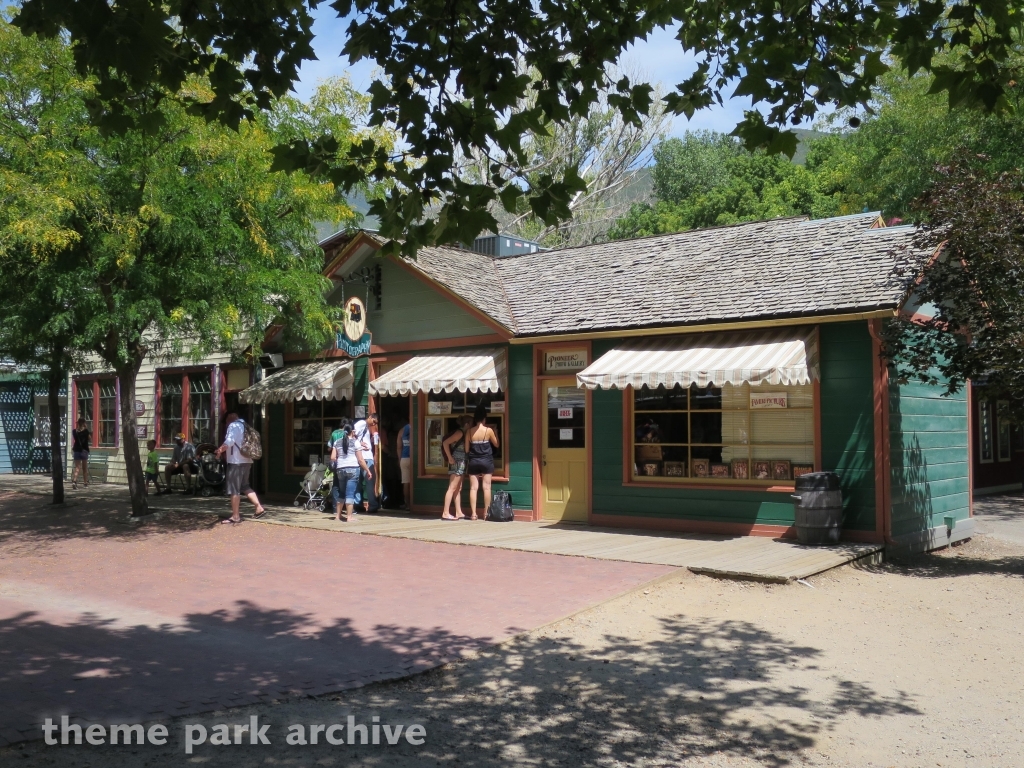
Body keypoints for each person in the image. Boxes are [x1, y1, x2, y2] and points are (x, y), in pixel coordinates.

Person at [214, 413, 266, 524]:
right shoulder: (246, 425)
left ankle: (235, 516)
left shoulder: (233, 426)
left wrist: (220, 450)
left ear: (230, 417)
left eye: (226, 421)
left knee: (234, 489)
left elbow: (230, 441)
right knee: (245, 486)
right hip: (247, 460)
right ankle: (259, 507)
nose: (227, 424)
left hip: (236, 462)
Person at [464, 405, 500, 520]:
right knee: (487, 487)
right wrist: (496, 433)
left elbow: (466, 449)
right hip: (486, 461)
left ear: (475, 418)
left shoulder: (469, 432)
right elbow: (496, 445)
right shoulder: (488, 430)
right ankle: (486, 513)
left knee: (473, 488)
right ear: (484, 418)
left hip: (474, 461)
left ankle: (474, 514)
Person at [331, 417, 368, 522]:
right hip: (352, 469)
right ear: (352, 431)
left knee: (341, 492)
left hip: (340, 469)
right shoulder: (356, 442)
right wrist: (368, 471)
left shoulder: (337, 442)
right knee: (350, 493)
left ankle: (338, 516)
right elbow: (360, 460)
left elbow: (333, 457)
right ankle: (349, 516)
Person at [441, 415, 472, 520]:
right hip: (456, 462)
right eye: (471, 424)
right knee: (452, 487)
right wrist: (449, 457)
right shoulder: (460, 433)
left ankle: (458, 512)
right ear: (467, 424)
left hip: (462, 462)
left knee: (458, 488)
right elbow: (445, 443)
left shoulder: (465, 433)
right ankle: (445, 512)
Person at [353, 415, 381, 513]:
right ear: (369, 417)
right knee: (369, 482)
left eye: (375, 423)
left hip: (361, 457)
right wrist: (360, 444)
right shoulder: (362, 423)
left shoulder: (366, 427)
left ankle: (358, 504)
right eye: (373, 421)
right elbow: (352, 434)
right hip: (365, 457)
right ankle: (372, 505)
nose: (374, 424)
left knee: (358, 482)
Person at [71, 417, 91, 490]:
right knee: (84, 468)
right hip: (84, 451)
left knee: (77, 468)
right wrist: (86, 429)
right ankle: (85, 483)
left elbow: (76, 437)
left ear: (78, 423)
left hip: (76, 451)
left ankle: (74, 481)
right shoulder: (86, 431)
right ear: (84, 423)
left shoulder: (74, 431)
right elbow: (89, 439)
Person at [399, 420, 412, 510]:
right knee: (413, 482)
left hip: (404, 458)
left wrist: (400, 459)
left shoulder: (402, 430)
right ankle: (414, 504)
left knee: (406, 483)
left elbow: (399, 447)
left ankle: (407, 504)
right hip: (415, 459)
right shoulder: (417, 427)